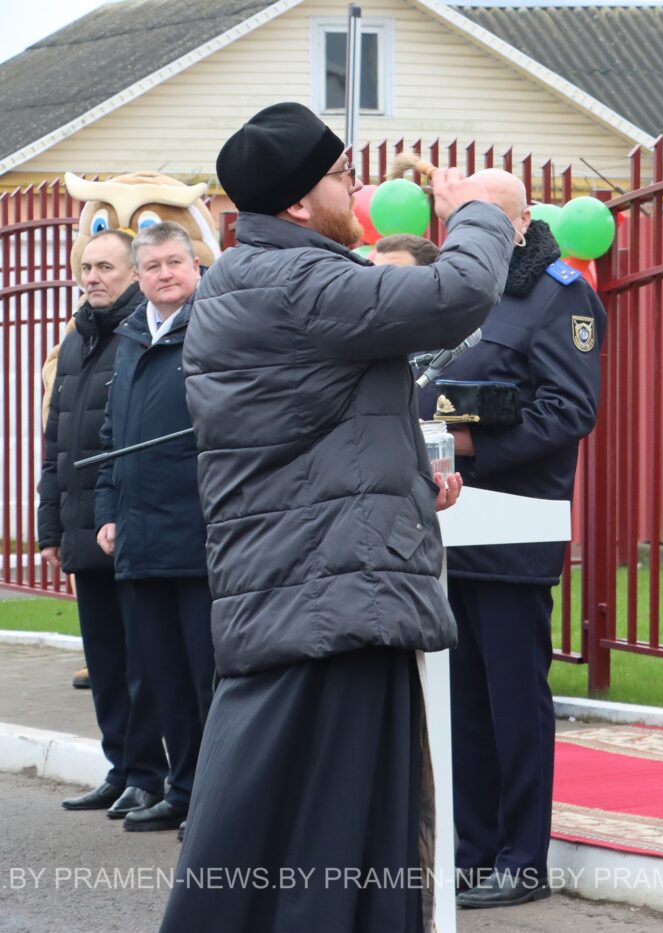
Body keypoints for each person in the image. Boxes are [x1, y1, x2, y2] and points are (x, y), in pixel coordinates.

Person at [161, 101, 514, 933]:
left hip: (317, 587)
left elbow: (314, 433)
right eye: (339, 174)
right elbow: (458, 292)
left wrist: (404, 482)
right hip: (322, 599)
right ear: (296, 201)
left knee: (311, 826)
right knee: (322, 833)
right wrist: (480, 212)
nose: (353, 188)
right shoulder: (297, 282)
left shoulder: (259, 277)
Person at [406, 177, 606, 909]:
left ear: (521, 222)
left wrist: (467, 448)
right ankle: (471, 852)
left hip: (512, 527)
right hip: (444, 529)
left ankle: (522, 859)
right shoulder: (451, 291)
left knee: (513, 705)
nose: (470, 229)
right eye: (460, 218)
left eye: (487, 217)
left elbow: (569, 410)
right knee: (460, 704)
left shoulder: (559, 295)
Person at [93, 221, 215, 834]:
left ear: (195, 266)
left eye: (174, 262)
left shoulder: (215, 328)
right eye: (152, 266)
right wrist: (107, 512)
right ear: (138, 278)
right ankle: (183, 789)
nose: (165, 274)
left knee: (208, 678)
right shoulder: (131, 338)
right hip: (141, 541)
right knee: (166, 679)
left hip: (200, 537)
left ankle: (218, 802)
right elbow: (111, 438)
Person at [39, 229, 166, 819]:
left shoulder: (141, 337)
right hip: (81, 527)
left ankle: (148, 774)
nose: (92, 277)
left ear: (134, 273)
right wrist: (50, 529)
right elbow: (56, 443)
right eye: (86, 267)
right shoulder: (74, 342)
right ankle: (120, 770)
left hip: (127, 527)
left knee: (143, 664)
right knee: (107, 664)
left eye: (105, 267)